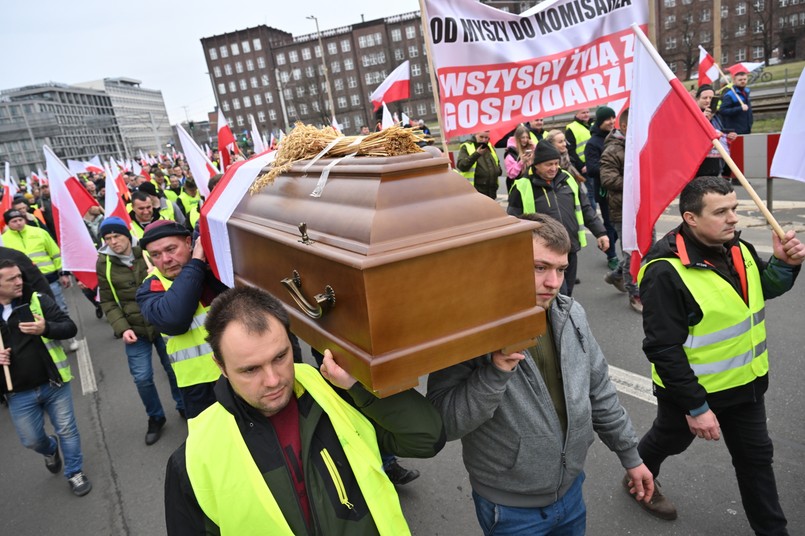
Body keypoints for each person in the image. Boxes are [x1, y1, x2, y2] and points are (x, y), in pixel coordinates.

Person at [427, 213, 653, 536]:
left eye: (561, 269)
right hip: (509, 510)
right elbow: (444, 421)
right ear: (506, 262)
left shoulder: (571, 314)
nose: (554, 283)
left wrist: (630, 455)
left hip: (571, 493)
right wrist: (495, 371)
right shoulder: (471, 329)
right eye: (539, 267)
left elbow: (599, 391)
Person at [164, 286, 445, 535]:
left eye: (280, 357)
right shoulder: (193, 460)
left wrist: (358, 387)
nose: (273, 380)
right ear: (221, 366)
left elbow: (426, 437)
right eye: (250, 369)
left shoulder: (335, 393)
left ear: (291, 342)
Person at [632, 176, 803, 533]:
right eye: (721, 212)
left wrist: (785, 265)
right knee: (669, 440)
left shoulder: (737, 249)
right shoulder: (665, 270)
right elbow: (663, 348)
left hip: (747, 385)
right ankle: (639, 476)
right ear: (691, 218)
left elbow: (761, 290)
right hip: (692, 394)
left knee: (756, 460)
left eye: (735, 209)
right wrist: (696, 407)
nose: (733, 219)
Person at [0, 259, 92, 496]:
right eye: (11, 279)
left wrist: (46, 328)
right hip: (18, 392)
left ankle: (74, 472)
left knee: (68, 430)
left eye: (19, 276)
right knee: (31, 440)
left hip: (54, 383)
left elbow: (69, 327)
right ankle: (50, 449)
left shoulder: (37, 301)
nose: (19, 281)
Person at [97, 217, 185, 445]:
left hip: (161, 322)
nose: (113, 242)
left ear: (127, 235)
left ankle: (183, 405)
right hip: (134, 330)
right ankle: (155, 417)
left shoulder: (148, 252)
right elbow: (107, 301)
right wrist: (121, 328)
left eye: (116, 236)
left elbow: (173, 279)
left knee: (174, 368)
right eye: (107, 239)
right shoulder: (104, 263)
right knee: (142, 378)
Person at [136, 221, 228, 418]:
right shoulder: (150, 288)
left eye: (171, 249)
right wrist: (195, 264)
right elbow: (174, 320)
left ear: (189, 243)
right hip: (198, 385)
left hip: (238, 370)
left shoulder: (215, 271)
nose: (166, 259)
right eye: (156, 255)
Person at [507, 141, 609, 296]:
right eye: (549, 164)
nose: (554, 168)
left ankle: (562, 317)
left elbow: (585, 208)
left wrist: (600, 232)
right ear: (537, 165)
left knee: (567, 292)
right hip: (543, 252)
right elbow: (513, 221)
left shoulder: (568, 179)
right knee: (555, 292)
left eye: (556, 163)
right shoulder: (522, 186)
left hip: (569, 247)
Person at [1, 209, 78, 352]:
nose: (18, 223)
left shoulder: (39, 232)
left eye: (20, 219)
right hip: (23, 287)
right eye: (14, 221)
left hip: (49, 280)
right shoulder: (5, 241)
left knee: (58, 308)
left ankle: (68, 338)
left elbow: (55, 253)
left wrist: (63, 273)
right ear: (7, 224)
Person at [599, 109, 644, 313]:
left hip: (642, 207)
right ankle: (634, 293)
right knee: (633, 251)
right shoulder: (612, 150)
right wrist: (635, 183)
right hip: (623, 210)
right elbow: (607, 179)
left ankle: (617, 275)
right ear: (624, 126)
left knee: (646, 249)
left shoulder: (638, 144)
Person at [695, 85, 738, 178]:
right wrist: (702, 119)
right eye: (704, 98)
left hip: (715, 162)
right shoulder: (692, 114)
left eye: (711, 98)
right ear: (697, 99)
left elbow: (721, 132)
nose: (708, 101)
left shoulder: (717, 116)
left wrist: (729, 136)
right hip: (698, 164)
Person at [456, 131, 502, 200]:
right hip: (475, 191)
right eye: (481, 137)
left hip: (491, 191)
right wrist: (476, 154)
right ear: (475, 134)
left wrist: (498, 170)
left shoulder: (490, 146)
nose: (484, 140)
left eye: (486, 137)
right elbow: (462, 166)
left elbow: (496, 162)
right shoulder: (467, 146)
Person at [564, 108, 592, 205]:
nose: (586, 114)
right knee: (591, 192)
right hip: (584, 166)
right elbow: (571, 150)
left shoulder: (591, 125)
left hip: (594, 164)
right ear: (576, 114)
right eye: (583, 112)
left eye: (588, 112)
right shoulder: (571, 128)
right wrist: (581, 166)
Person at [504, 124, 535, 194]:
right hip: (516, 188)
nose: (525, 140)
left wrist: (534, 147)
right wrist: (521, 162)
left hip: (529, 185)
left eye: (527, 137)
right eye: (522, 137)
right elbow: (511, 174)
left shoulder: (529, 149)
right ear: (517, 138)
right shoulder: (511, 153)